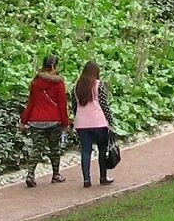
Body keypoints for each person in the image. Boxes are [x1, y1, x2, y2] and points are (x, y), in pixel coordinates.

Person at [19, 54, 71, 187]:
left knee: (36, 148)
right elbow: (62, 105)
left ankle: (30, 174)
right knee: (55, 148)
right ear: (54, 66)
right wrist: (66, 123)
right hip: (54, 120)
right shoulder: (58, 83)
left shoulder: (36, 82)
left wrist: (24, 121)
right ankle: (56, 174)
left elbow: (31, 103)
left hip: (36, 121)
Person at [72, 59, 116, 188]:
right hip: (98, 122)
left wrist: (77, 118)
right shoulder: (99, 85)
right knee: (102, 150)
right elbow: (104, 105)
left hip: (82, 123)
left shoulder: (76, 87)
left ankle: (86, 180)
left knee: (86, 151)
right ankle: (103, 177)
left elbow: (74, 106)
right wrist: (110, 121)